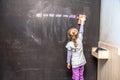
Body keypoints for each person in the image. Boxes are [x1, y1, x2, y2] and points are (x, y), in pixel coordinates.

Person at [65, 14, 87, 80]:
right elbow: (81, 31)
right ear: (77, 35)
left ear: (69, 36)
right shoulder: (80, 39)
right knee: (81, 76)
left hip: (75, 63)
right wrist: (82, 21)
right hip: (82, 62)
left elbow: (69, 55)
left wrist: (68, 62)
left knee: (76, 77)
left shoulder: (69, 44)